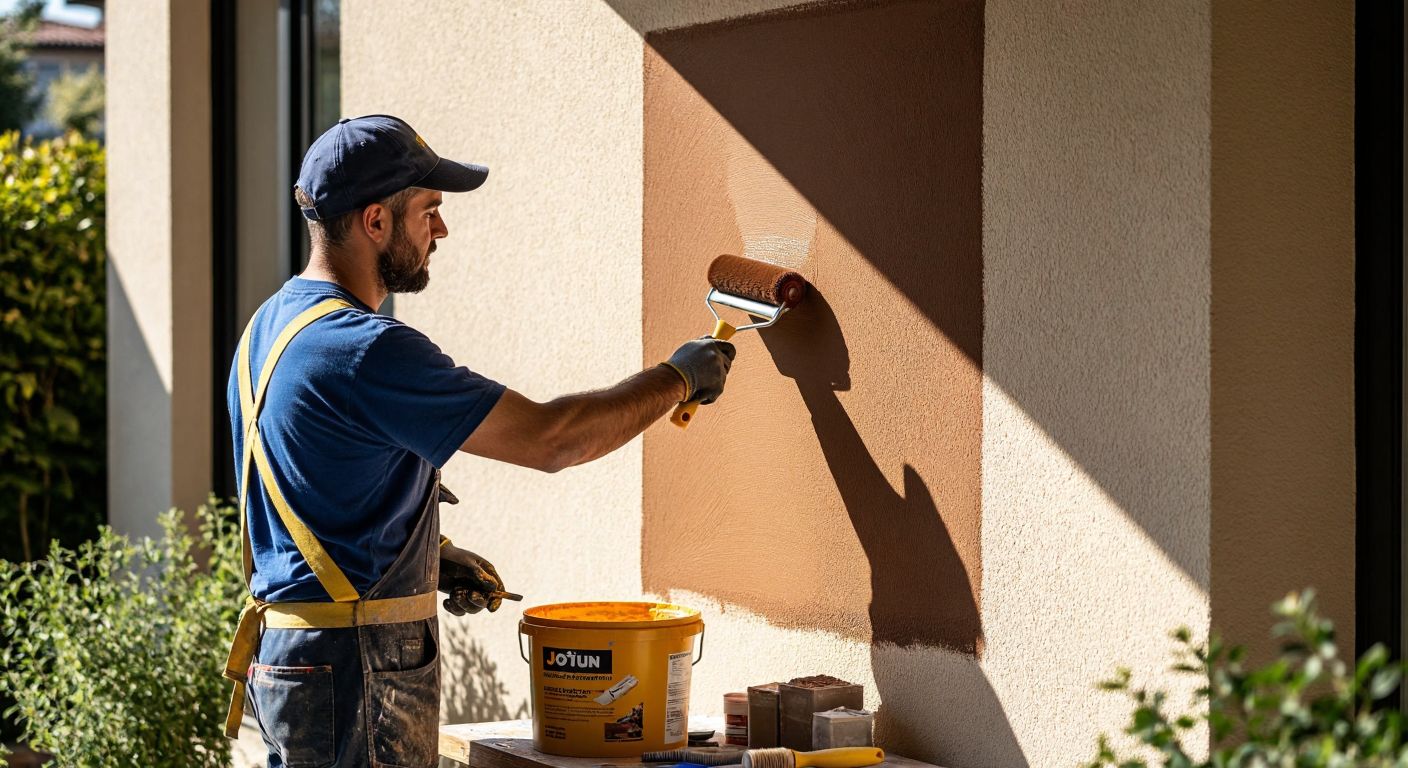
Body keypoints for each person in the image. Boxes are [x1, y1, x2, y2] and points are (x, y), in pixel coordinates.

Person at [221, 114, 735, 768]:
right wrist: (677, 378)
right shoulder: (366, 350)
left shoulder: (269, 329)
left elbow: (317, 480)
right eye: (428, 211)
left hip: (298, 665)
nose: (441, 229)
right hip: (354, 670)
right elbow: (552, 440)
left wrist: (429, 555)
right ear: (375, 221)